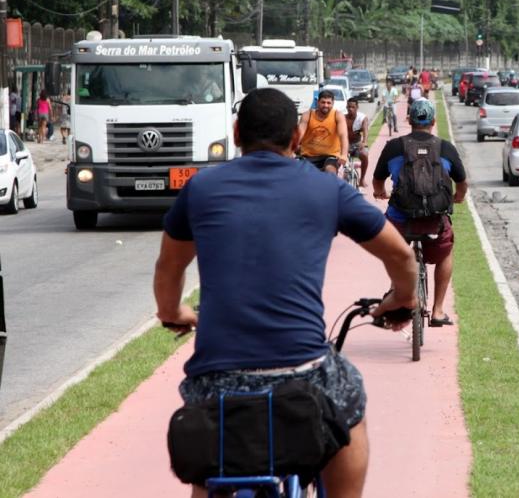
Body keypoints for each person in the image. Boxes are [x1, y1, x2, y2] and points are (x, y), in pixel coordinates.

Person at [153, 88, 418, 498]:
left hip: (219, 378)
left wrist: (174, 312)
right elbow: (401, 256)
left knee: (212, 449)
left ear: (237, 131)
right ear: (297, 137)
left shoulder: (201, 189)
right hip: (303, 371)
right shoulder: (326, 190)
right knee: (352, 404)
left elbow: (170, 266)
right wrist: (403, 299)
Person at [372, 99, 468, 327]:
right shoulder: (445, 147)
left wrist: (380, 192)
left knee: (393, 252)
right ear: (434, 121)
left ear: (409, 120)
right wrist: (459, 197)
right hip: (434, 220)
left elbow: (377, 180)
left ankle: (397, 290)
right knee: (445, 253)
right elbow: (462, 183)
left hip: (400, 220)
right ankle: (437, 311)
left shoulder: (394, 147)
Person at [298, 89, 349, 174]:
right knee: (301, 175)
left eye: (328, 103)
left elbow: (343, 135)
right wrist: (289, 150)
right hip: (308, 156)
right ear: (318, 102)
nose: (326, 105)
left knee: (330, 171)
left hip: (330, 156)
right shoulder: (307, 115)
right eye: (323, 102)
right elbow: (299, 134)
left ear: (333, 104)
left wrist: (344, 155)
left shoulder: (337, 115)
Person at [345, 97, 369, 187]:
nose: (350, 109)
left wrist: (364, 142)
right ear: (346, 107)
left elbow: (366, 130)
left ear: (357, 107)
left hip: (357, 145)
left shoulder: (362, 118)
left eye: (353, 107)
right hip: (345, 145)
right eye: (349, 107)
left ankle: (362, 179)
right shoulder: (343, 118)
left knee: (365, 155)